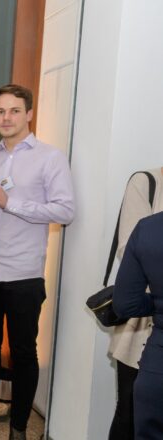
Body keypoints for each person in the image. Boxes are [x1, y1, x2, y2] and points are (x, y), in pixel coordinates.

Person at [0, 84, 75, 440]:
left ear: (29, 114)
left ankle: (19, 428)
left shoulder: (50, 158)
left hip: (23, 274)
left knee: (23, 352)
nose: (6, 118)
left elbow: (65, 211)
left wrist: (11, 202)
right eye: (0, 111)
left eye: (14, 110)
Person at [108, 169, 162, 440]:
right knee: (129, 414)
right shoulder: (147, 181)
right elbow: (129, 248)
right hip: (140, 332)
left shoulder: (152, 228)